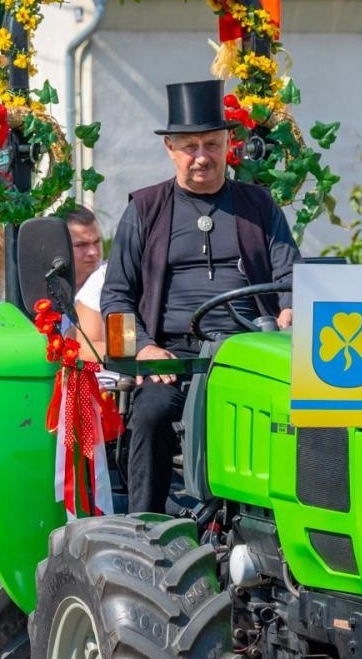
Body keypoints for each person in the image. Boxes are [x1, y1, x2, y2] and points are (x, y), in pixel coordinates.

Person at [100, 79, 298, 516]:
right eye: (190, 146)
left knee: (295, 421)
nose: (202, 156)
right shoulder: (144, 210)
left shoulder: (260, 206)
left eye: (212, 143)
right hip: (174, 360)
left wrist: (289, 310)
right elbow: (115, 299)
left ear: (229, 144)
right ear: (170, 149)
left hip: (251, 354)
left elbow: (292, 279)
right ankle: (142, 526)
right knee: (150, 417)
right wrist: (144, 349)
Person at [66, 206, 108, 349]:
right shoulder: (40, 287)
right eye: (81, 244)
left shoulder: (107, 278)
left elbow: (86, 354)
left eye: (97, 242)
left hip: (99, 370)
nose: (93, 252)